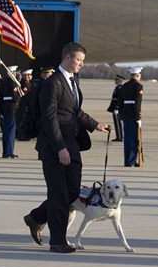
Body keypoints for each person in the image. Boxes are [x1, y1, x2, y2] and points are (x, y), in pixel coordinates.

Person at [22, 42, 109, 253]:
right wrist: (60, 147)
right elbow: (49, 118)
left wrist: (95, 125)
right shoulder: (52, 83)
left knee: (71, 192)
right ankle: (58, 241)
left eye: (82, 61)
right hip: (54, 147)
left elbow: (75, 111)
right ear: (67, 58)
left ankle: (36, 217)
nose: (81, 64)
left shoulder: (72, 81)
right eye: (78, 60)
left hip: (72, 145)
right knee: (59, 194)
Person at [118, 67, 144, 167]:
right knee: (133, 139)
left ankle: (127, 160)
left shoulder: (124, 86)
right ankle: (131, 161)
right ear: (137, 75)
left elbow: (120, 103)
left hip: (125, 114)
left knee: (127, 139)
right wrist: (138, 118)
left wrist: (122, 115)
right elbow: (137, 103)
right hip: (133, 115)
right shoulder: (138, 86)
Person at [0, 65, 20, 158]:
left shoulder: (3, 83)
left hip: (5, 107)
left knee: (6, 131)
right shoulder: (13, 83)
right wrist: (21, 99)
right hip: (12, 108)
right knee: (11, 131)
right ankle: (9, 152)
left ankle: (5, 151)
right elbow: (15, 98)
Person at [106, 74, 125, 142]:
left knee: (118, 123)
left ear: (119, 80)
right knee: (117, 123)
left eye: (116, 79)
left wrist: (117, 108)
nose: (115, 81)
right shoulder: (117, 88)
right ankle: (119, 136)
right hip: (115, 108)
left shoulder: (120, 88)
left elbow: (119, 99)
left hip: (116, 108)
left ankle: (119, 137)